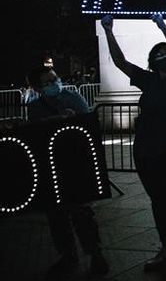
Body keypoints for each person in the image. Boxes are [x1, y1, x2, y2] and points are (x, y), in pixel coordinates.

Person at [101, 13, 166, 272]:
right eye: (159, 53)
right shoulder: (148, 80)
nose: (164, 56)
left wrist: (164, 28)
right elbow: (119, 61)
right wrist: (109, 31)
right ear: (152, 61)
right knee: (158, 200)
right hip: (145, 151)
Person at [26, 66, 109, 279]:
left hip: (75, 166)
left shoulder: (73, 98)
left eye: (55, 79)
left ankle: (95, 253)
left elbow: (89, 122)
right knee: (56, 215)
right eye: (47, 82)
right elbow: (35, 130)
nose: (54, 84)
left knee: (82, 213)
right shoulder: (35, 107)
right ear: (36, 87)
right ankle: (68, 254)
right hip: (52, 168)